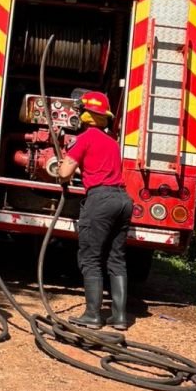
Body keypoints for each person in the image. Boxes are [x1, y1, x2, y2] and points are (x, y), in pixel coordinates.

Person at [57, 91, 133, 331]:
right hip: (122, 200)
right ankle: (119, 317)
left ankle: (92, 315)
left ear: (84, 115)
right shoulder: (112, 142)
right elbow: (97, 168)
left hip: (100, 201)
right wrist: (79, 168)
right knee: (116, 258)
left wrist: (63, 169)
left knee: (91, 257)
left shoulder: (84, 138)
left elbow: (64, 173)